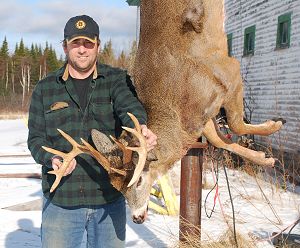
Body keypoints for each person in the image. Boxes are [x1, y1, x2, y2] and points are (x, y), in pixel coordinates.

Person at [27, 15, 157, 248]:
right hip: (61, 202)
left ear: (98, 45)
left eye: (88, 43)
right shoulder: (45, 88)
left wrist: (141, 128)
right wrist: (52, 159)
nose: (82, 50)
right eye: (76, 43)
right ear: (65, 46)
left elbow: (129, 106)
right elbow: (36, 139)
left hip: (109, 199)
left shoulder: (116, 80)